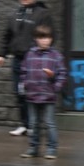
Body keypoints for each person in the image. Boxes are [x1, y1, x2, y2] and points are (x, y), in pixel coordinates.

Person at [0, 0, 53, 135]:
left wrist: (43, 57)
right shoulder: (14, 14)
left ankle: (35, 126)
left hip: (35, 60)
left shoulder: (43, 14)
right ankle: (25, 124)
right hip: (18, 60)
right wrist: (2, 54)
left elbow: (50, 37)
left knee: (34, 93)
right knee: (19, 92)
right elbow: (7, 36)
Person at [18, 25, 67, 159]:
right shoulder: (30, 54)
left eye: (47, 38)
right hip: (32, 94)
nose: (45, 41)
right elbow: (23, 72)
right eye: (42, 38)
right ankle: (33, 147)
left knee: (49, 123)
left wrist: (55, 85)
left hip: (48, 95)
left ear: (51, 39)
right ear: (36, 39)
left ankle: (52, 148)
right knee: (33, 123)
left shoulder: (56, 56)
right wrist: (24, 85)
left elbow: (62, 74)